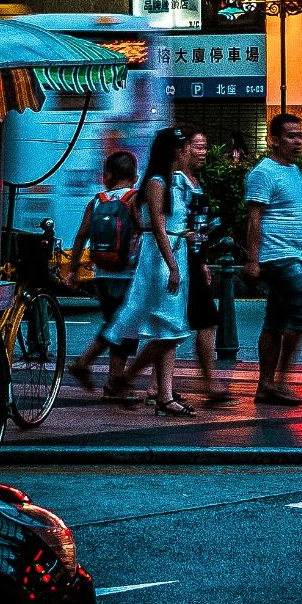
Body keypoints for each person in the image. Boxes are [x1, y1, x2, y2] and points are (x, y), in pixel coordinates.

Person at [99, 127, 196, 416]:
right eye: (184, 147)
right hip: (161, 260)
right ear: (174, 151)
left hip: (173, 254)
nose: (189, 152)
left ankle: (160, 392)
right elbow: (158, 225)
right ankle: (159, 393)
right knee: (168, 329)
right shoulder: (156, 182)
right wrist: (173, 264)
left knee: (170, 330)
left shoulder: (174, 182)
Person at [243, 113, 302, 407]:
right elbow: (254, 220)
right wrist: (253, 261)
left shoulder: (294, 171)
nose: (298, 141)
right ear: (274, 140)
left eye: (300, 135)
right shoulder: (263, 173)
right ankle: (280, 380)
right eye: (291, 136)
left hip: (293, 254)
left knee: (275, 321)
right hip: (276, 256)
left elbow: (301, 215)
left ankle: (266, 385)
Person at [63, 151, 142, 401]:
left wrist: (74, 270)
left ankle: (112, 383)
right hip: (128, 273)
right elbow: (146, 232)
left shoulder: (97, 200)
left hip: (101, 273)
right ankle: (89, 365)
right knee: (121, 328)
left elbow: (80, 235)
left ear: (107, 176)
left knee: (116, 323)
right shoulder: (134, 199)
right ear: (135, 176)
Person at [179, 129, 231, 408]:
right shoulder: (177, 182)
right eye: (197, 147)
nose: (203, 152)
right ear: (184, 148)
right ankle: (209, 382)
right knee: (197, 322)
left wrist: (201, 261)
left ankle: (132, 378)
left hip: (193, 260)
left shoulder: (194, 181)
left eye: (205, 147)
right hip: (181, 261)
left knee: (171, 329)